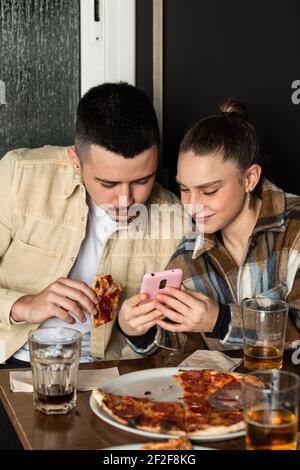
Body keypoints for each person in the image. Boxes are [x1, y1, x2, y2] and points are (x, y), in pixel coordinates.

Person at [0, 82, 186, 367]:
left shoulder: (174, 216)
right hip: (12, 360)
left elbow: (175, 340)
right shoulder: (19, 176)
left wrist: (136, 331)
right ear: (75, 161)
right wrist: (23, 306)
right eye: (108, 183)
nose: (126, 200)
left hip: (110, 370)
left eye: (142, 180)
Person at [119, 98, 300, 353]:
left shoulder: (295, 229)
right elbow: (174, 350)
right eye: (184, 189)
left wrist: (222, 320)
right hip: (220, 392)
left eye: (209, 190)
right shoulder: (189, 252)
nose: (193, 206)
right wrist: (137, 330)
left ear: (249, 178)